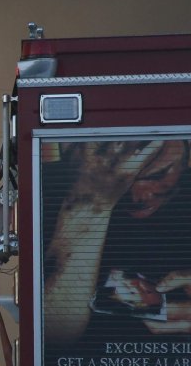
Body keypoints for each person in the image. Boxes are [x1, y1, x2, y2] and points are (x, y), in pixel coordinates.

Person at [43, 139, 191, 343]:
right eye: (126, 180)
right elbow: (52, 333)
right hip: (87, 365)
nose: (140, 195)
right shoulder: (45, 189)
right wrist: (93, 202)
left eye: (156, 175)